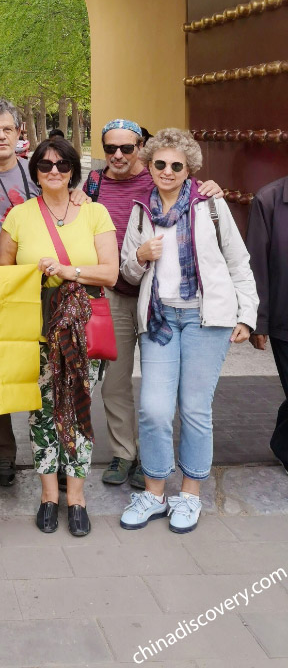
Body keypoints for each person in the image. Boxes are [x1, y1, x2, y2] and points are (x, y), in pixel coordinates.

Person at [119, 129, 257, 534]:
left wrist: (247, 315)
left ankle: (190, 495)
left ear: (189, 169)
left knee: (195, 409)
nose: (167, 171)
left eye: (176, 165)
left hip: (204, 320)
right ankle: (155, 493)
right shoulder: (141, 209)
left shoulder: (211, 205)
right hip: (160, 321)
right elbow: (129, 268)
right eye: (159, 163)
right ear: (149, 165)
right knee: (154, 409)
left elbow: (238, 262)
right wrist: (141, 256)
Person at [83, 119, 222, 490]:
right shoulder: (93, 185)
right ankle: (125, 452)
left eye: (127, 148)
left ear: (141, 149)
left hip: (158, 300)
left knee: (162, 390)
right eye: (110, 147)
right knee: (114, 383)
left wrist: (211, 188)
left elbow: (198, 197)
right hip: (114, 293)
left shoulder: (162, 178)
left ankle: (155, 459)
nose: (117, 155)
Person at [0, 136, 118, 537]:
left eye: (62, 166)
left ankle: (77, 497)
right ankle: (49, 495)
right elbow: (4, 277)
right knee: (43, 414)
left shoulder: (95, 213)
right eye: (46, 165)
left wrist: (67, 272)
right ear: (34, 171)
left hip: (82, 329)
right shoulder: (18, 216)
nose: (54, 172)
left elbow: (110, 273)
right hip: (37, 329)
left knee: (79, 409)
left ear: (73, 171)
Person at [0, 99, 89, 488]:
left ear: (20, 132)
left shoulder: (38, 169)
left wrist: (79, 197)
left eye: (8, 129)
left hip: (47, 291)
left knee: (59, 376)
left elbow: (68, 199)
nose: (1, 136)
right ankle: (4, 453)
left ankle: (65, 453)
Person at [246, 176, 288, 473]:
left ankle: (282, 443)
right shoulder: (269, 199)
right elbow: (256, 263)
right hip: (285, 316)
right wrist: (256, 321)